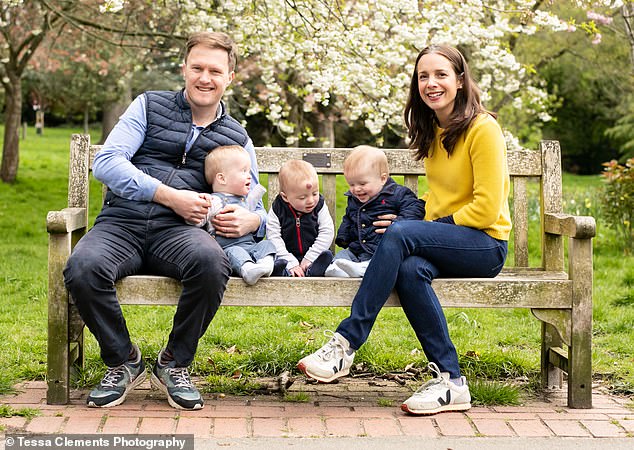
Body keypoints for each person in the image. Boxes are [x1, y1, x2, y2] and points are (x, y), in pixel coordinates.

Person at [297, 44, 511, 416]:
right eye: (423, 76)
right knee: (410, 270)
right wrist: (418, 224)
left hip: (485, 243)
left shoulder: (483, 129)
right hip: (450, 242)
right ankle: (452, 382)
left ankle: (345, 342)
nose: (431, 83)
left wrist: (420, 229)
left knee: (401, 234)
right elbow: (438, 196)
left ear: (460, 81)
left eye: (441, 75)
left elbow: (487, 207)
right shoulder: (433, 130)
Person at [63, 32, 267, 411]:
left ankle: (174, 364)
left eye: (215, 71)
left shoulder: (237, 136)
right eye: (197, 68)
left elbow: (256, 198)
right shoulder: (148, 105)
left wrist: (252, 222)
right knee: (82, 267)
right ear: (184, 69)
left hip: (179, 233)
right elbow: (106, 162)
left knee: (211, 262)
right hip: (120, 223)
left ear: (230, 77)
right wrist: (168, 195)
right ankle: (124, 360)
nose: (205, 78)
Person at [324, 145, 425, 278]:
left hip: (381, 247)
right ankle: (337, 268)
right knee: (344, 256)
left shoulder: (396, 194)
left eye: (362, 184)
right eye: (352, 184)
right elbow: (348, 217)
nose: (356, 189)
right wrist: (343, 236)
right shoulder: (354, 199)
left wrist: (399, 224)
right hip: (357, 248)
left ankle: (365, 268)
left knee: (379, 258)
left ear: (382, 179)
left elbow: (415, 208)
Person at [200, 145, 275, 285]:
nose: (249, 176)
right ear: (222, 179)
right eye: (243, 171)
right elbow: (198, 220)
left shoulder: (244, 200)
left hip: (250, 245)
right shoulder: (215, 201)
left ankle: (266, 265)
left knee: (266, 244)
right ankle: (248, 270)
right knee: (234, 252)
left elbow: (254, 203)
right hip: (226, 248)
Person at [266, 159, 335, 277]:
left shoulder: (319, 206)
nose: (311, 201)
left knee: (326, 257)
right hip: (286, 257)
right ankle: (283, 270)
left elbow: (327, 232)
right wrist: (290, 261)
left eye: (315, 193)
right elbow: (273, 236)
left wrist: (310, 258)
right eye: (302, 197)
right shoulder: (278, 208)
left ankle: (313, 270)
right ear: (286, 197)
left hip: (314, 256)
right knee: (276, 259)